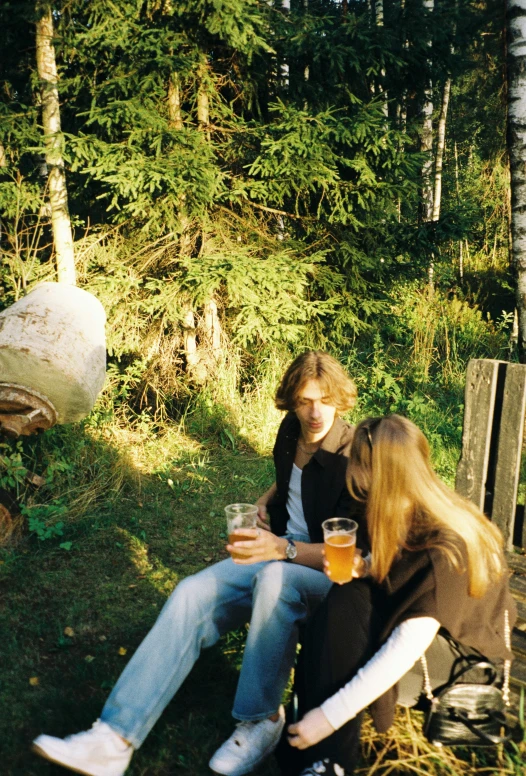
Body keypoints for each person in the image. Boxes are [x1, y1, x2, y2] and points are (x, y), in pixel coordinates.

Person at [33, 351, 360, 776]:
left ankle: (261, 720)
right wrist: (268, 499)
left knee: (276, 579)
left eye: (324, 400)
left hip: (324, 576)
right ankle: (113, 738)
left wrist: (283, 549)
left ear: (340, 398)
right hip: (277, 547)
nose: (315, 412)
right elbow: (291, 479)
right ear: (290, 402)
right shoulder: (290, 432)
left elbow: (354, 556)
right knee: (192, 593)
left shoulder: (354, 455)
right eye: (304, 401)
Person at [283, 414, 517, 776]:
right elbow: (401, 568)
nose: (350, 474)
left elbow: (402, 650)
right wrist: (365, 567)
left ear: (378, 475)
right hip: (432, 637)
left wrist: (328, 718)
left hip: (461, 668)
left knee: (342, 625)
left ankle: (325, 756)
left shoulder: (445, 552)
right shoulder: (414, 508)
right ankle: (317, 753)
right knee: (347, 602)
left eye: (355, 464)